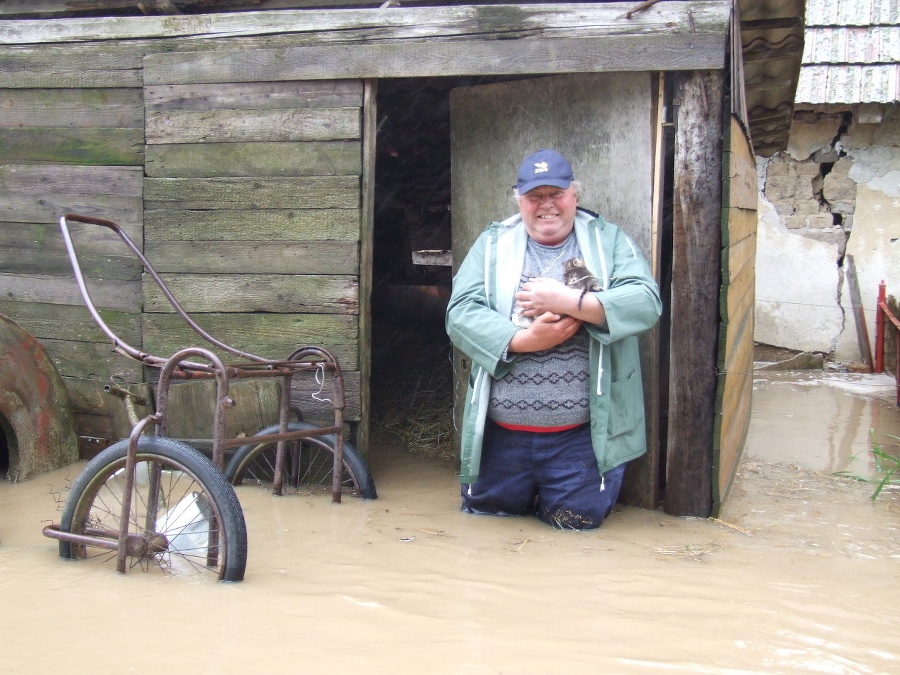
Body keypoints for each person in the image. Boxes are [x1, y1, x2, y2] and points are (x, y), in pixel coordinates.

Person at [445, 149, 662, 530]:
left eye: (556, 193)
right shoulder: (493, 244)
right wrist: (524, 340)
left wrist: (571, 301)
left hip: (581, 442)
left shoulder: (607, 241)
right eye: (534, 196)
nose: (546, 205)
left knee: (574, 532)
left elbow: (645, 303)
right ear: (519, 200)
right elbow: (460, 312)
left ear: (574, 195)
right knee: (487, 531)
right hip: (501, 439)